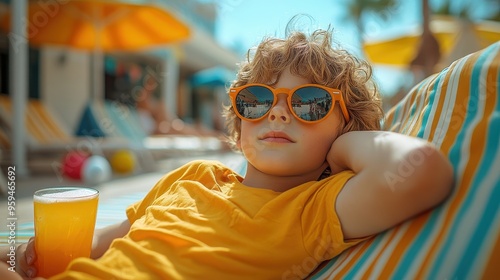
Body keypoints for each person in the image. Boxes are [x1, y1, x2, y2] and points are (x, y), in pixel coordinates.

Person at [1, 24, 453, 279]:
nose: (277, 114)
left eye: (309, 103)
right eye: (256, 100)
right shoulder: (193, 176)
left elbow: (422, 170)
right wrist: (29, 253)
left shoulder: (307, 211)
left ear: (344, 126)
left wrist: (346, 141)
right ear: (239, 126)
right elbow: (105, 241)